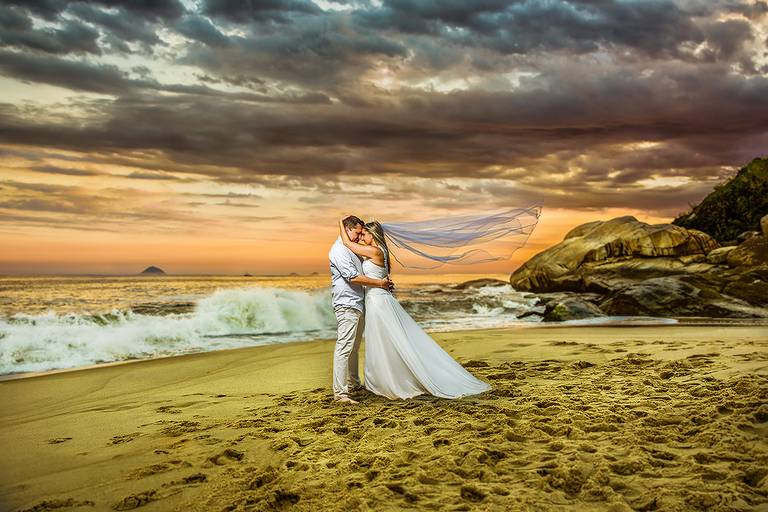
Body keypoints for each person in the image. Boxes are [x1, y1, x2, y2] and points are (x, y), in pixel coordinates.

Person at [338, 217, 491, 400]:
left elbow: (347, 243)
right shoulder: (381, 251)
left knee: (385, 341)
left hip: (378, 302)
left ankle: (390, 380)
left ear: (374, 234)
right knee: (387, 342)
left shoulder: (374, 251)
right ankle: (385, 378)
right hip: (378, 300)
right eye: (360, 234)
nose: (361, 237)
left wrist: (340, 223)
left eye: (364, 234)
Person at [328, 215, 393, 404]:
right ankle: (340, 394)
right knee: (344, 347)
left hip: (360, 302)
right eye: (357, 233)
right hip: (347, 303)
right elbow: (352, 277)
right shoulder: (339, 250)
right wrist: (380, 283)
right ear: (347, 229)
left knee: (354, 347)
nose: (358, 237)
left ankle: (354, 383)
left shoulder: (353, 248)